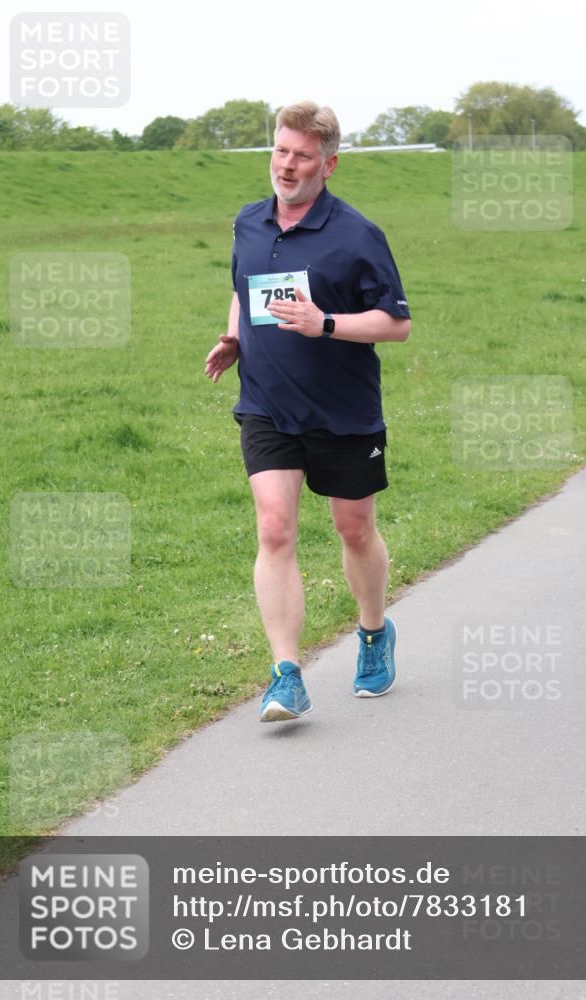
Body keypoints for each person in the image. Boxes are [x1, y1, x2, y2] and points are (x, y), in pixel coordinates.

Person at [204, 101, 411, 723]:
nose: (287, 165)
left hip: (344, 410)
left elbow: (395, 325)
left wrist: (325, 323)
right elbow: (243, 289)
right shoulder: (248, 222)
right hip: (267, 402)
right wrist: (234, 336)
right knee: (275, 528)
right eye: (281, 151)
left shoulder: (358, 235)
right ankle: (286, 674)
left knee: (353, 529)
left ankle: (374, 632)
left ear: (329, 164)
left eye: (302, 156)